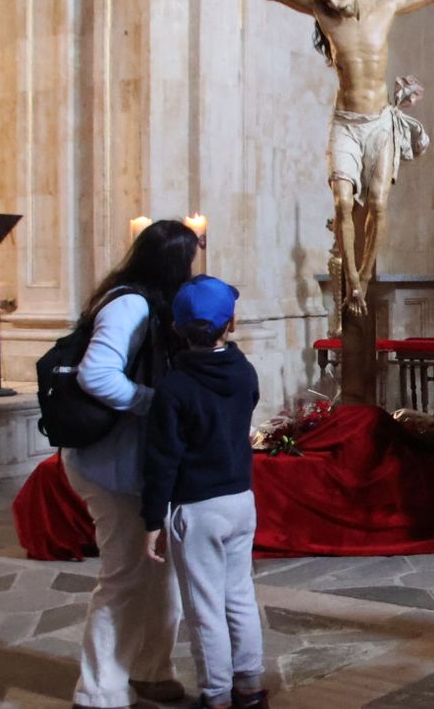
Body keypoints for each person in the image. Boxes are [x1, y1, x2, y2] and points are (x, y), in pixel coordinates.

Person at [189, 0, 434, 319]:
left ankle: (363, 273)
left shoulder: (387, 8)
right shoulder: (321, 12)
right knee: (343, 202)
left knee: (377, 203)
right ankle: (354, 283)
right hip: (346, 122)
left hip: (379, 122)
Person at [64, 220, 199, 709]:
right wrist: (152, 401)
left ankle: (149, 669)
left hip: (140, 463)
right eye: (187, 261)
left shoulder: (147, 302)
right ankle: (99, 689)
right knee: (122, 576)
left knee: (161, 572)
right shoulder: (129, 303)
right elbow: (95, 375)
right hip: (110, 461)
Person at [141, 275, 266, 709]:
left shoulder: (174, 387)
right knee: (240, 597)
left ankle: (216, 697)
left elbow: (162, 459)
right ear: (229, 324)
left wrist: (152, 519)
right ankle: (250, 688)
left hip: (197, 508)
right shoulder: (244, 370)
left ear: (177, 328)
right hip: (240, 500)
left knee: (204, 609)